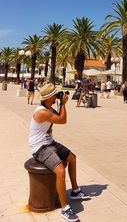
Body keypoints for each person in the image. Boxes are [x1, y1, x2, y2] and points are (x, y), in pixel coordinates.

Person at [29, 83, 88, 222]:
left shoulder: (48, 107)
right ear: (50, 97)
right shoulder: (42, 112)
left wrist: (61, 102)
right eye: (55, 94)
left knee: (72, 158)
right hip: (40, 148)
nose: (57, 95)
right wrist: (63, 104)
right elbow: (63, 120)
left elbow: (59, 116)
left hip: (49, 143)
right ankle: (65, 209)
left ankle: (75, 191)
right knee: (60, 171)